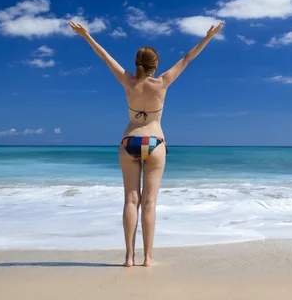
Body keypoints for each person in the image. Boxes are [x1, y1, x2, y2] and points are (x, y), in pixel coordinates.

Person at [69, 20, 224, 267]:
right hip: (155, 142)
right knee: (149, 202)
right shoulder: (162, 83)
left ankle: (129, 257)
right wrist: (208, 36)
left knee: (131, 200)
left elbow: (105, 57)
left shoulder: (129, 82)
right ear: (156, 65)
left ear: (136, 63)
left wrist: (86, 35)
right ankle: (147, 258)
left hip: (129, 141)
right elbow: (187, 58)